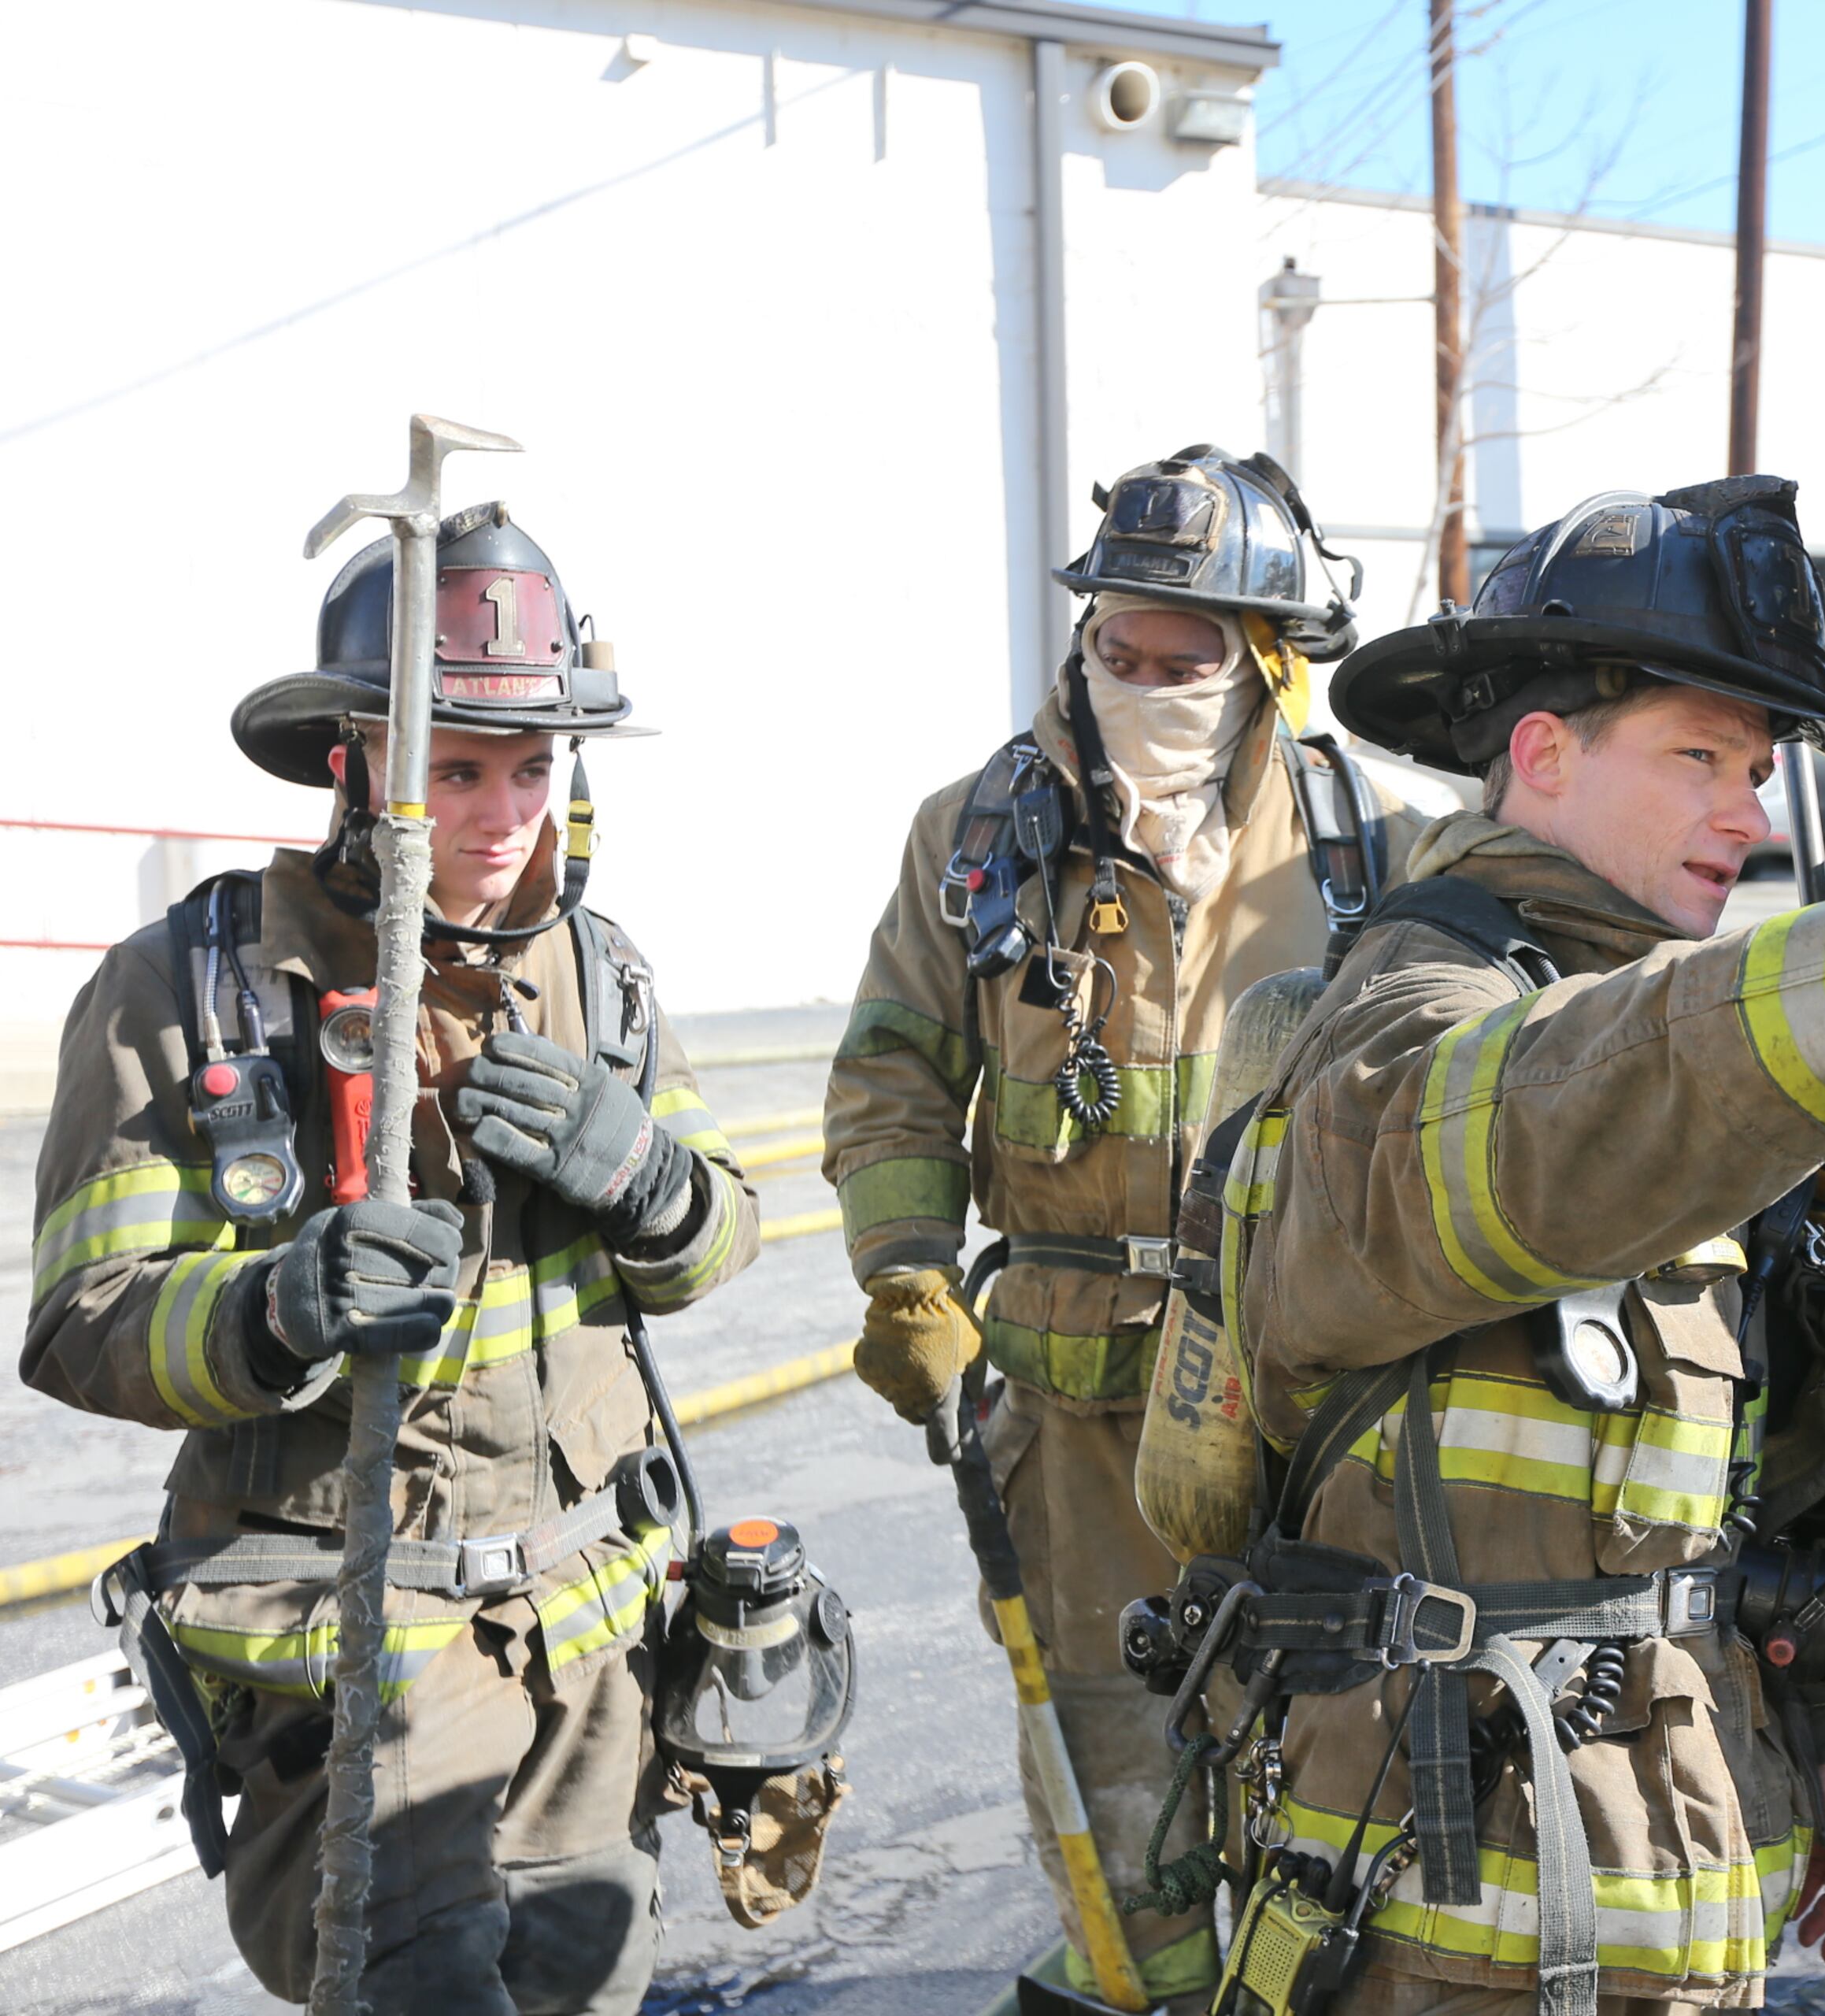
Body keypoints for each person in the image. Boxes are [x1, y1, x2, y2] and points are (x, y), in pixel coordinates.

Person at [1194, 473, 1825, 2016]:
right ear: (1544, 753)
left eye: (1760, 769)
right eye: (1699, 758)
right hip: (1437, 1923)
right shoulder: (1411, 1012)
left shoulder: (1672, 1045)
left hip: (1668, 1895)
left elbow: (1750, 1471)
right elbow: (1556, 1120)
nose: (1750, 813)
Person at [24, 504, 756, 2014]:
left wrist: (647, 1178)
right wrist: (273, 1311)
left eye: (531, 769)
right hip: (353, 1654)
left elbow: (721, 1236)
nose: (500, 817)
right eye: (455, 770)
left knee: (592, 1980)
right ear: (355, 761)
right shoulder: (188, 986)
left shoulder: (602, 977)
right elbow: (82, 1319)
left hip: (585, 1651)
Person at [824, 445, 1420, 2010]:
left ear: (1267, 663)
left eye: (1186, 658)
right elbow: (891, 1073)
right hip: (1073, 1428)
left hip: (1305, 1417)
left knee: (1328, 1786)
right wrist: (907, 1272)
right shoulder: (976, 837)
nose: (1143, 684)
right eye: (1118, 650)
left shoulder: (1373, 845)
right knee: (1114, 1797)